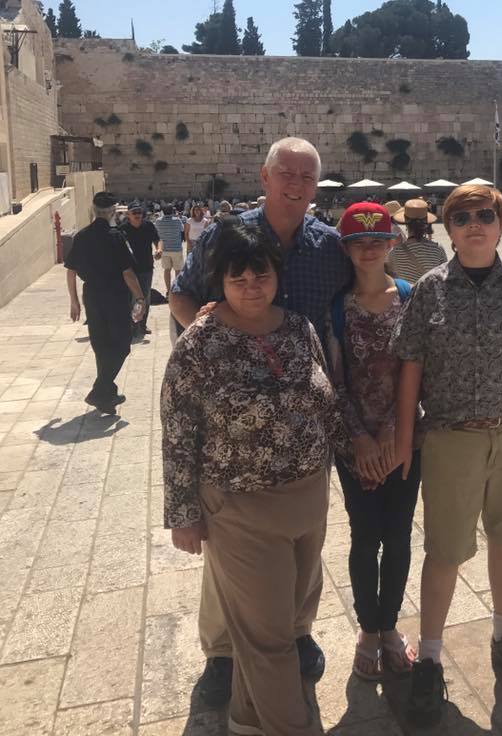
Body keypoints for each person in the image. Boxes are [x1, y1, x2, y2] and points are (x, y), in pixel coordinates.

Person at [169, 137, 352, 707]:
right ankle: (223, 652)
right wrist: (211, 328)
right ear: (265, 177)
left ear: (315, 185)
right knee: (232, 558)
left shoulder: (328, 244)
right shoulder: (230, 234)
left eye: (306, 175)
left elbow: (342, 310)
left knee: (303, 547)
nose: (295, 183)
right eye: (286, 173)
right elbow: (180, 296)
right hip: (236, 432)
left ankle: (296, 631)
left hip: (300, 431)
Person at [391, 184, 502, 725]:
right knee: (445, 549)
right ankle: (430, 658)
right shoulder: (429, 290)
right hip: (452, 438)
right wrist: (403, 437)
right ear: (448, 228)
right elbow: (411, 367)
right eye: (462, 216)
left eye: (485, 215)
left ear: (501, 222)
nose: (474, 223)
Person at [326, 203, 421, 681]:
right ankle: (368, 626)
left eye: (377, 240)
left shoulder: (410, 298)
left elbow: (419, 370)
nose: (369, 249)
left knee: (399, 535)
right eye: (359, 241)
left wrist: (393, 432)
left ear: (391, 244)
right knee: (365, 538)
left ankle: (389, 625)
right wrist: (361, 439)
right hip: (355, 447)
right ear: (346, 248)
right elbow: (333, 380)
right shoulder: (336, 310)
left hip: (404, 439)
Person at [64, 191, 146, 414]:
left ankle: (107, 398)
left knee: (101, 345)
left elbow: (70, 272)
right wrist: (140, 298)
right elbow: (127, 273)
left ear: (94, 210)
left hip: (91, 296)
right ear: (111, 212)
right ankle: (99, 391)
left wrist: (74, 302)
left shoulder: (81, 236)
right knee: (122, 343)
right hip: (115, 296)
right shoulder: (115, 236)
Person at [120, 200, 163, 340]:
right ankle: (132, 326)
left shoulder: (148, 226)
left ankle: (142, 325)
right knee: (131, 298)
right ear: (128, 214)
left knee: (145, 297)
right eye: (135, 212)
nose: (138, 215)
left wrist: (159, 249)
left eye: (140, 212)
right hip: (129, 270)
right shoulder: (122, 229)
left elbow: (157, 239)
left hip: (146, 267)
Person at [387, 199, 446, 284]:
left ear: (406, 222)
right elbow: (444, 277)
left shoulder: (395, 252)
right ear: (426, 222)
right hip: (431, 296)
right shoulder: (438, 249)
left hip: (407, 296)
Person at [156, 206, 185, 295]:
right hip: (176, 248)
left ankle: (168, 290)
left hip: (164, 249)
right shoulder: (177, 220)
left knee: (167, 270)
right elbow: (182, 229)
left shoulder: (158, 221)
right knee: (178, 270)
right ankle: (176, 290)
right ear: (172, 211)